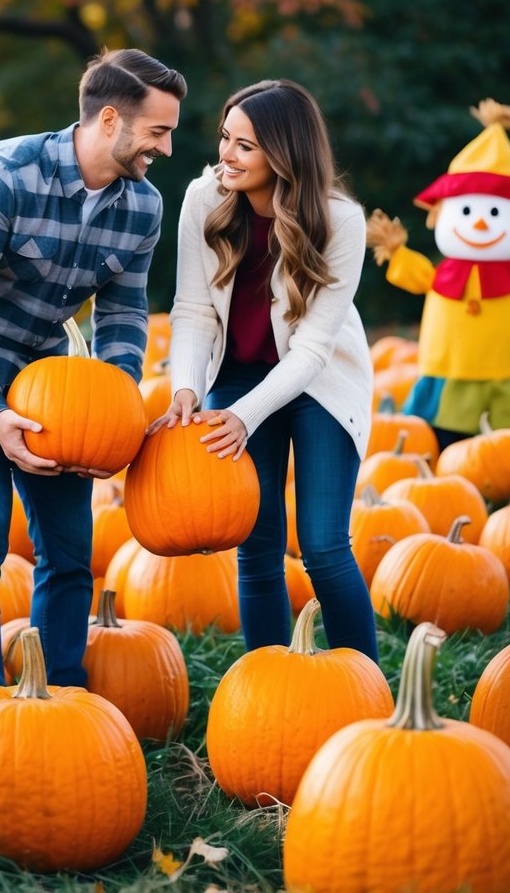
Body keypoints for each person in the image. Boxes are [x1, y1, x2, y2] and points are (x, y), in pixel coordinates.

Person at [0, 48, 187, 692]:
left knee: (68, 551)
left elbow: (122, 310)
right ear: (110, 119)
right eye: (159, 132)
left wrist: (114, 404)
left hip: (48, 378)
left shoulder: (142, 207)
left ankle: (59, 694)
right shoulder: (1, 174)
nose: (166, 149)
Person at [151, 79, 379, 664]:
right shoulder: (205, 199)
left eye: (244, 146)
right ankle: (267, 683)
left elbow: (312, 349)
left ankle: (369, 693)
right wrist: (187, 386)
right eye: (225, 137)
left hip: (318, 383)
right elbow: (194, 309)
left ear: (285, 154)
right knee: (257, 547)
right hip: (237, 374)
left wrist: (243, 417)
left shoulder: (340, 221)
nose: (226, 154)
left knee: (324, 546)